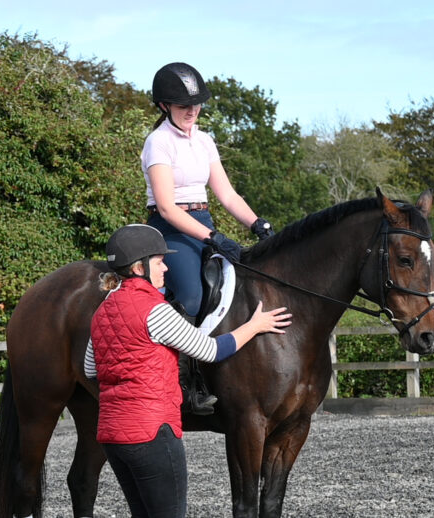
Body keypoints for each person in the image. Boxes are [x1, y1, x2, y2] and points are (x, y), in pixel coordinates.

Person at [84, 224, 291, 518]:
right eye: (159, 261)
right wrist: (254, 326)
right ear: (139, 268)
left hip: (112, 437)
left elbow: (90, 369)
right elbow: (211, 351)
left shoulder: (103, 308)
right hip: (153, 433)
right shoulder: (156, 311)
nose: (166, 268)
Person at [143, 62, 275, 413]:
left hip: (203, 220)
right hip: (170, 228)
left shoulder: (204, 141)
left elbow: (227, 195)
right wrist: (214, 236)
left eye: (197, 104)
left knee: (240, 283)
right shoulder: (158, 143)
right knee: (192, 291)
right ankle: (185, 383)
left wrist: (256, 223)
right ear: (164, 107)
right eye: (184, 106)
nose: (192, 111)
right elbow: (169, 208)